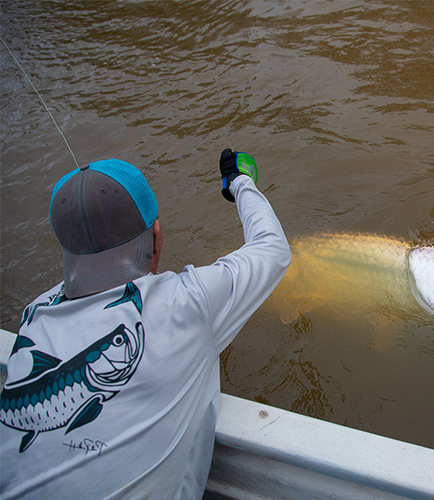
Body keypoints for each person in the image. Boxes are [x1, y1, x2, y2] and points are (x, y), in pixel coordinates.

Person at [0, 149, 292, 499]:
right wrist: (240, 182)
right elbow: (272, 248)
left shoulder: (35, 316)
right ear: (156, 237)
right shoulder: (186, 304)